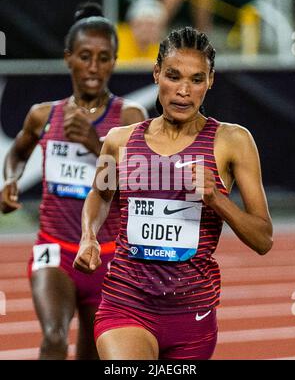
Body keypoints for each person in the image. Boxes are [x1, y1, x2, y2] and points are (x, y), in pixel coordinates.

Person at [73, 26, 273, 360]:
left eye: (196, 79)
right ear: (156, 74)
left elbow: (263, 239)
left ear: (210, 81)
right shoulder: (120, 141)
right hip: (126, 303)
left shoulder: (232, 142)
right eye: (173, 76)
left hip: (192, 314)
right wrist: (89, 236)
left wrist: (217, 200)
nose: (183, 91)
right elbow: (100, 194)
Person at [0, 2, 147, 360]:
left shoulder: (130, 116)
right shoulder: (43, 114)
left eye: (104, 57)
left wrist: (95, 144)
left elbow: (138, 185)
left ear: (114, 61)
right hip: (54, 249)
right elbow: (17, 154)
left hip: (108, 255)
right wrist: (10, 180)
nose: (94, 68)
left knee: (93, 351)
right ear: (68, 58)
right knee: (53, 337)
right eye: (85, 56)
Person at [117, 0, 167, 64]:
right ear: (133, 24)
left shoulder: (161, 47)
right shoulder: (118, 39)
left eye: (157, 26)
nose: (152, 30)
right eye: (149, 25)